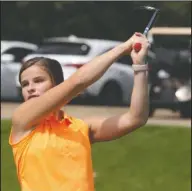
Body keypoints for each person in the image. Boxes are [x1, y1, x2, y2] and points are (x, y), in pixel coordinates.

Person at [9, 32, 150, 191]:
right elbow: (78, 82)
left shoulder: (80, 127)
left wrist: (139, 66)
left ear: (57, 85)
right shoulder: (22, 121)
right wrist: (123, 48)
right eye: (25, 84)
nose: (30, 88)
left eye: (39, 81)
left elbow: (135, 118)